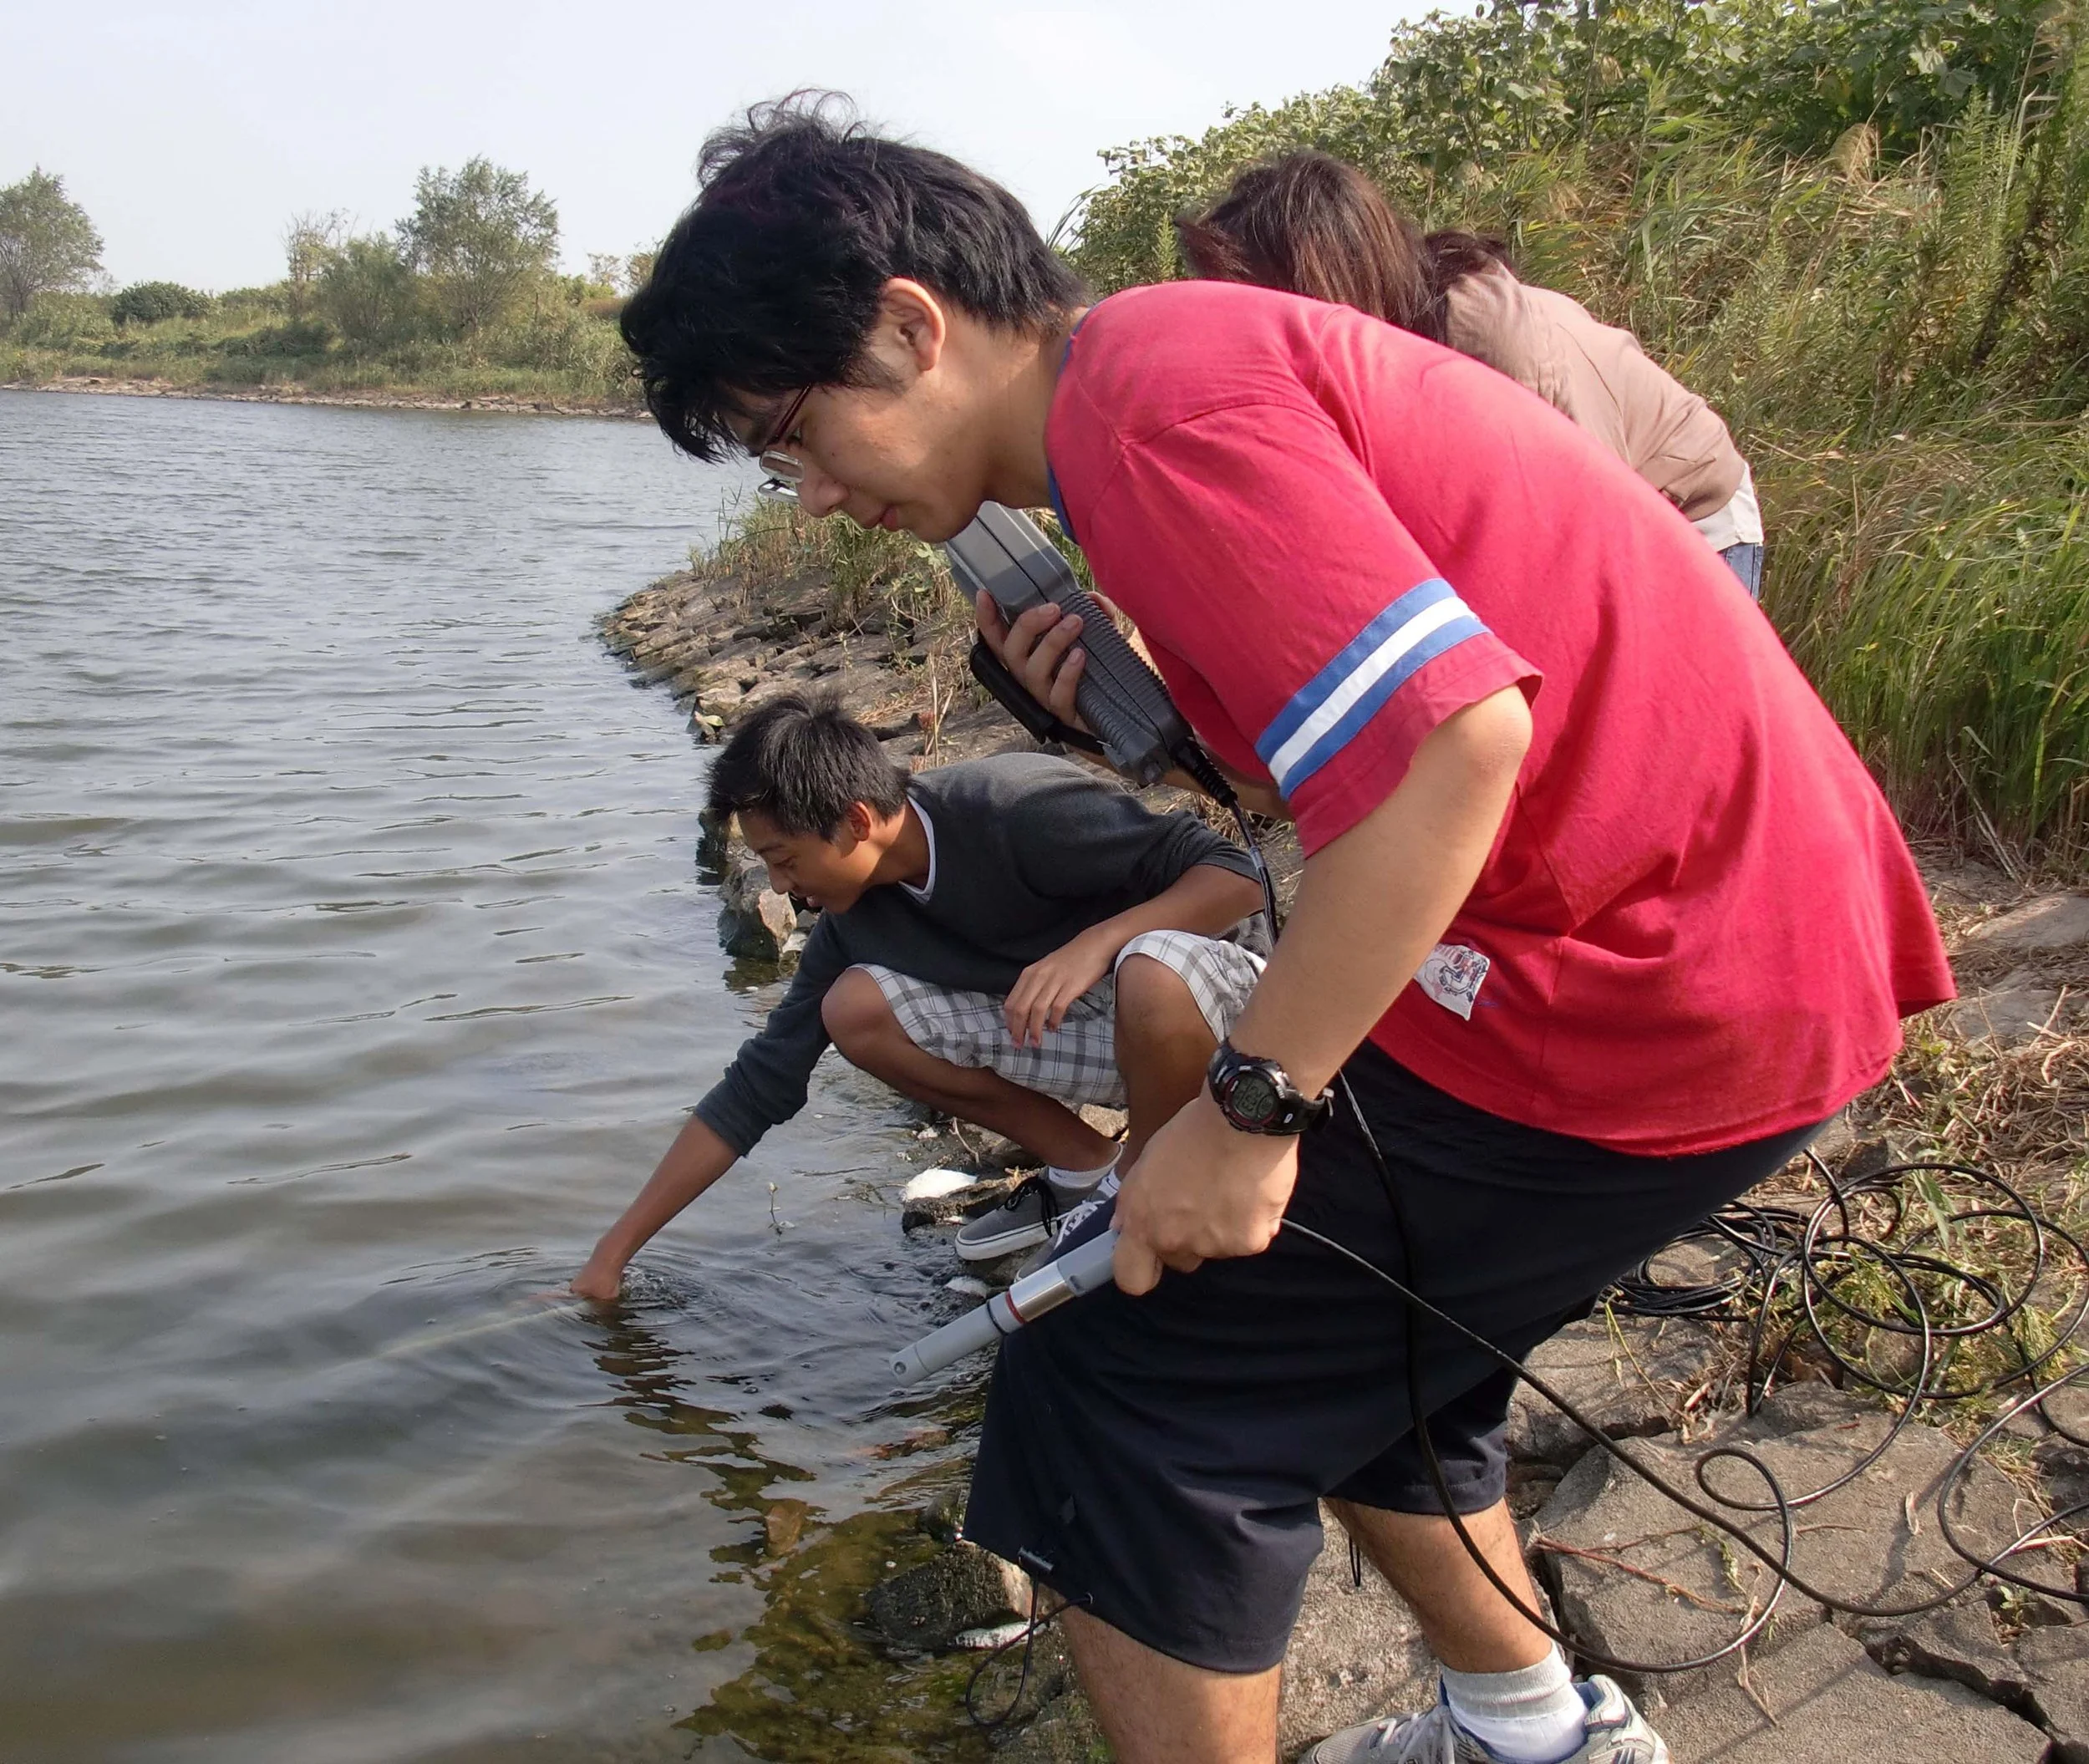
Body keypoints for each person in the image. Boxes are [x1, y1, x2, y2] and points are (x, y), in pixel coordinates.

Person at [616, 97, 1954, 1764]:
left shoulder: (1156, 408)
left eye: (793, 433)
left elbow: (1457, 745)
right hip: (1679, 938)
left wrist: (1252, 1112)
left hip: (1656, 968)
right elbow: (1353, 756)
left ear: (910, 325)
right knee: (1351, 1337)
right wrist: (1138, 725)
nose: (806, 492)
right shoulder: (1149, 383)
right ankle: (1534, 1727)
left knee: (1117, 1394)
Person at [571, 693, 1266, 1297]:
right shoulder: (851, 923)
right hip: (1110, 1034)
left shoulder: (1014, 806)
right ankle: (1090, 1172)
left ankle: (1143, 1193)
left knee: (1148, 965)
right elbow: (757, 1086)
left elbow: (1239, 876)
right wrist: (612, 1256)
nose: (779, 887)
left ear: (856, 821)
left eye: (783, 860)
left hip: (1237, 1020)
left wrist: (1095, 947)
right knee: (853, 1008)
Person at [1179, 151, 1767, 597]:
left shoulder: (1486, 342)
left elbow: (1590, 543)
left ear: (1324, 280)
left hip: (1688, 519)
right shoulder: (1374, 349)